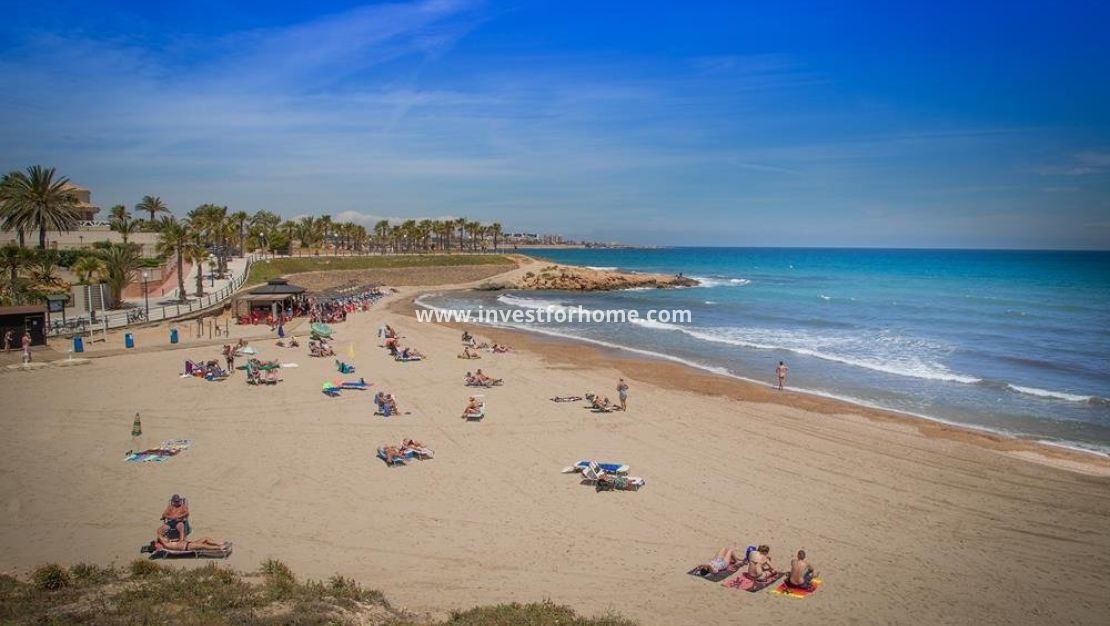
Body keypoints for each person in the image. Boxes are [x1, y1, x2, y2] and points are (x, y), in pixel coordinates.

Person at [155, 524, 227, 552]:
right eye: (164, 537)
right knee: (204, 546)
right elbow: (159, 533)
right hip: (187, 547)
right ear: (162, 542)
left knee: (206, 538)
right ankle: (219, 548)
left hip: (190, 544)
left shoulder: (170, 542)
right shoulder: (167, 544)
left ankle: (218, 543)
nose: (166, 537)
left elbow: (181, 540)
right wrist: (162, 530)